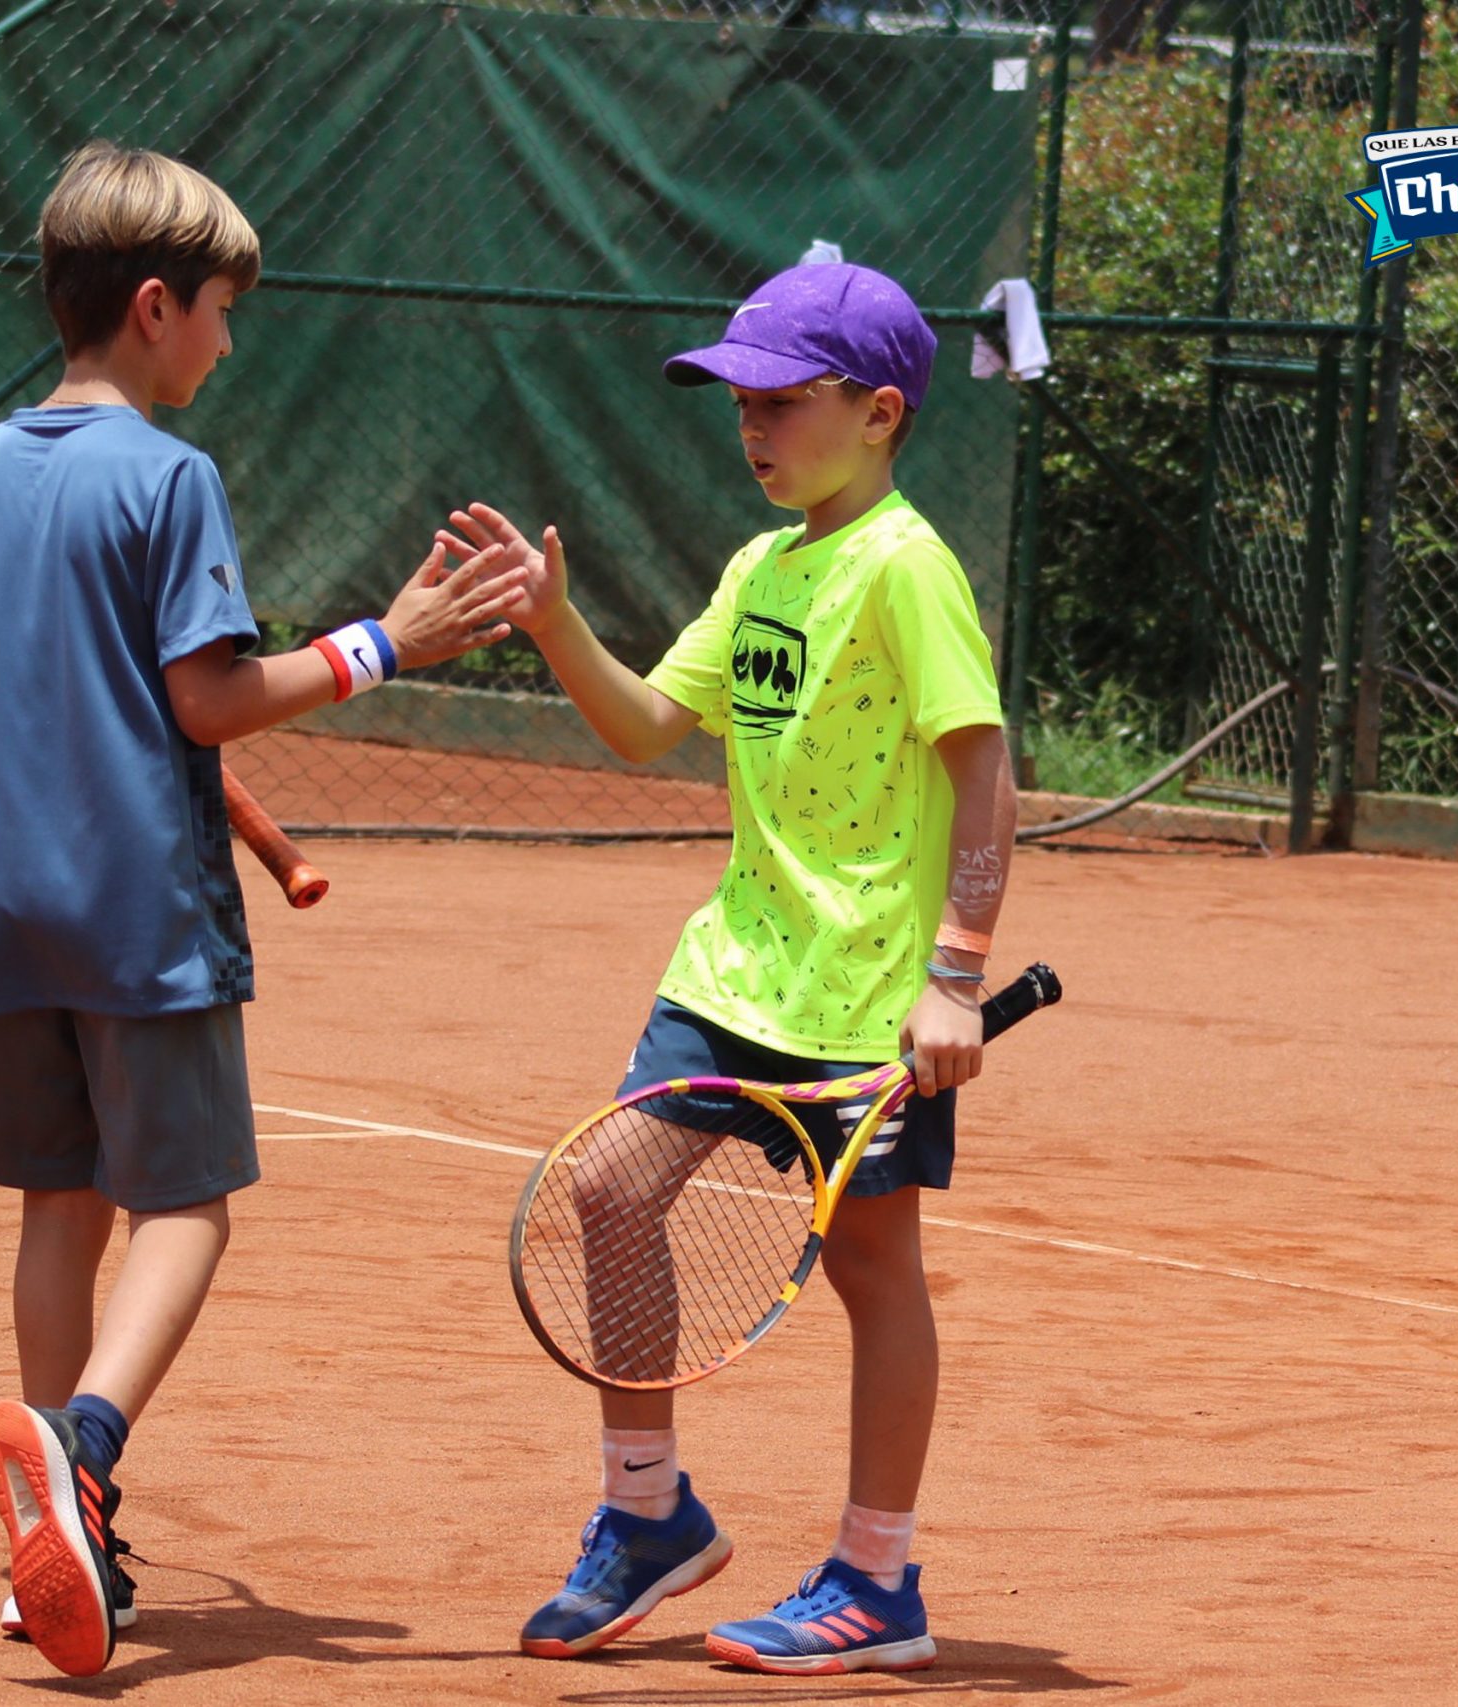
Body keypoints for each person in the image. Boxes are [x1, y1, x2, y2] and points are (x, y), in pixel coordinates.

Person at [0, 139, 523, 1678]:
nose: (230, 345)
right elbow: (208, 697)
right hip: (137, 911)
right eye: (223, 313)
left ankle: (55, 1539)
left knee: (63, 1206)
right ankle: (84, 1452)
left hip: (0, 914)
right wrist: (387, 641)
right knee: (185, 1209)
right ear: (157, 306)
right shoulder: (173, 480)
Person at [446, 263, 1016, 1676]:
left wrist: (957, 973)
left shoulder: (906, 568)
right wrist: (551, 619)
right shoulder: (762, 571)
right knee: (610, 1185)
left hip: (872, 992)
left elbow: (986, 770)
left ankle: (879, 1582)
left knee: (875, 1271)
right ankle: (647, 1518)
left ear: (879, 413)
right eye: (738, 404)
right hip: (735, 970)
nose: (750, 426)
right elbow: (647, 725)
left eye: (779, 400)